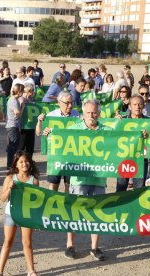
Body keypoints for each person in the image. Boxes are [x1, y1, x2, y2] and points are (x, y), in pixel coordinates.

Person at [63, 100, 111, 261]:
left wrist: (140, 137)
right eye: (89, 112)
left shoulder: (108, 131)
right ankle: (70, 245)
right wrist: (50, 134)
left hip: (98, 179)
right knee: (75, 211)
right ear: (83, 113)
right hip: (78, 179)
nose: (92, 115)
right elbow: (58, 143)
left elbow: (120, 145)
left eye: (95, 112)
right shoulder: (73, 130)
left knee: (96, 212)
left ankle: (94, 247)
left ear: (99, 113)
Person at [0, 150, 39, 276]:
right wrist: (10, 188)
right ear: (16, 164)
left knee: (27, 243)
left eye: (26, 161)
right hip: (12, 214)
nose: (24, 164)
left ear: (30, 163)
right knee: (8, 242)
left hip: (27, 216)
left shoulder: (34, 180)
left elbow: (37, 202)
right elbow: (2, 198)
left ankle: (31, 270)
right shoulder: (10, 178)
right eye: (21, 162)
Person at [37, 91, 80, 192]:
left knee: (69, 185)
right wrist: (39, 122)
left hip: (71, 155)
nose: (70, 105)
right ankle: (53, 205)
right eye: (67, 103)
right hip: (56, 156)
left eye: (72, 102)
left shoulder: (77, 115)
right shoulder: (51, 116)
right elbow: (39, 133)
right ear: (59, 102)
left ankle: (67, 205)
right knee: (54, 184)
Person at [5, 83, 25, 169]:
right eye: (22, 91)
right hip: (12, 125)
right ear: (19, 91)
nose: (23, 93)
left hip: (14, 125)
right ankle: (10, 165)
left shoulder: (15, 100)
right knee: (12, 146)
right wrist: (22, 106)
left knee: (14, 145)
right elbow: (18, 113)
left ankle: (11, 164)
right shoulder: (13, 100)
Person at [19, 83, 36, 158]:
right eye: (31, 91)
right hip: (23, 125)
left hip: (31, 125)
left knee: (30, 145)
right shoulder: (21, 99)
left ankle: (29, 160)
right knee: (21, 145)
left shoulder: (31, 99)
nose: (32, 93)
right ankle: (19, 161)